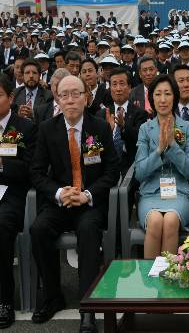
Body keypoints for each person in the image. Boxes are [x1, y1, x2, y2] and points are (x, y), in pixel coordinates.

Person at [30, 75, 120, 332]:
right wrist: (59, 192)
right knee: (38, 230)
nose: (70, 100)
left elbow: (112, 170)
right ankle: (52, 295)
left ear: (86, 97)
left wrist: (88, 194)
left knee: (89, 230)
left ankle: (88, 306)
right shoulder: (48, 128)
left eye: (76, 94)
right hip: (60, 202)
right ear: (57, 98)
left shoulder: (100, 127)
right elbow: (36, 172)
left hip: (89, 202)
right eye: (64, 94)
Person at [134, 73, 189, 258]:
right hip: (151, 193)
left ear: (174, 97)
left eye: (167, 94)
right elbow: (139, 172)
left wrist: (173, 146)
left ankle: (169, 281)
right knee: (154, 221)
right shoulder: (145, 129)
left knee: (170, 220)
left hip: (179, 193)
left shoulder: (186, 128)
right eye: (158, 94)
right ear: (151, 98)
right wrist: (159, 150)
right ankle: (151, 282)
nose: (163, 99)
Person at [0, 74, 37, 329]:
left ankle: (3, 299)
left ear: (10, 98)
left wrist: (2, 165)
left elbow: (30, 169)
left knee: (1, 227)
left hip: (12, 193)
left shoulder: (24, 127)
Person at [97, 68, 148, 177]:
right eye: (114, 84)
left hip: (132, 166)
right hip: (106, 168)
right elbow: (94, 148)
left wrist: (124, 126)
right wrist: (107, 132)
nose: (118, 89)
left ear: (129, 88)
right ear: (110, 88)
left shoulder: (140, 113)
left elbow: (140, 140)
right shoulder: (101, 114)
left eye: (122, 84)